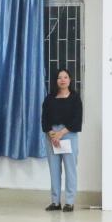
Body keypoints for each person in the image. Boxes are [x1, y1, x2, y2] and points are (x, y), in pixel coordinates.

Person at [41, 68, 83, 212]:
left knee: (70, 170)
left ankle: (69, 202)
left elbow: (77, 120)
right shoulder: (49, 98)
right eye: (60, 77)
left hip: (68, 135)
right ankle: (55, 202)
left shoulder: (75, 98)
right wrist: (52, 133)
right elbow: (44, 118)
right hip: (51, 136)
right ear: (56, 80)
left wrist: (61, 133)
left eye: (65, 77)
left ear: (70, 80)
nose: (62, 80)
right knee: (54, 170)